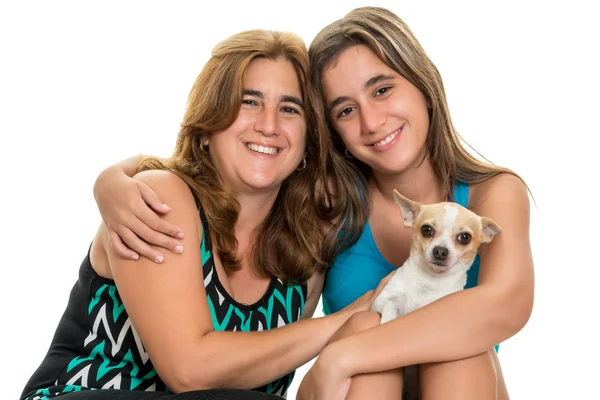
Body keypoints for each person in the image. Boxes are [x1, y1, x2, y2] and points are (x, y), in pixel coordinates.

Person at [93, 7, 534, 400]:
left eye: (382, 90)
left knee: (458, 351)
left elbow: (503, 304)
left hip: (459, 382)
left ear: (423, 82)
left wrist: (346, 353)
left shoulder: (487, 193)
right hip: (354, 385)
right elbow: (192, 367)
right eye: (344, 110)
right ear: (329, 131)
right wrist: (110, 181)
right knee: (368, 346)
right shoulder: (332, 208)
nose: (371, 120)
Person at [20, 29, 379, 400]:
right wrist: (345, 321)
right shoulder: (161, 198)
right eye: (248, 102)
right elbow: (190, 371)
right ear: (208, 126)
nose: (269, 125)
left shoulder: (304, 253)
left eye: (289, 109)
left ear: (309, 140)